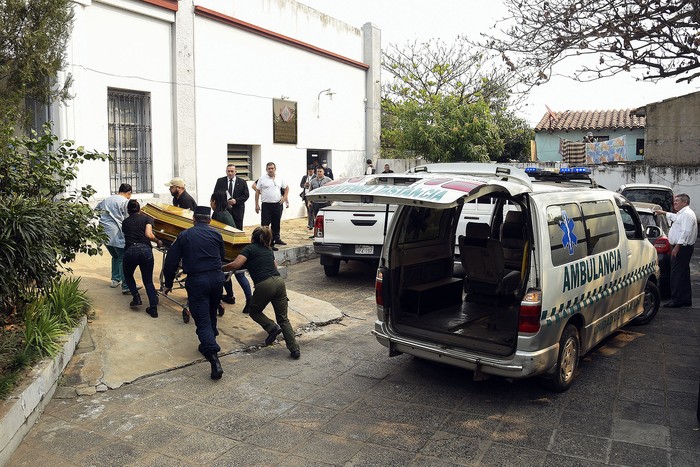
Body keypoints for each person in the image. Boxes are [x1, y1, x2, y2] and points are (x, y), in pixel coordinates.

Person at [163, 206, 225, 380]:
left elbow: (171, 262)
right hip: (217, 279)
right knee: (211, 313)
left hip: (198, 281)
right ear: (210, 220)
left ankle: (214, 358)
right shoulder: (217, 235)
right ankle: (209, 341)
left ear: (193, 220)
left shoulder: (184, 235)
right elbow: (221, 256)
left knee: (203, 321)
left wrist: (168, 284)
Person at [223, 226, 300, 359]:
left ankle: (272, 328)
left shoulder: (249, 248)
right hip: (279, 282)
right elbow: (275, 266)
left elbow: (236, 265)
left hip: (264, 284)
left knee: (254, 311)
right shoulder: (268, 249)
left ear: (253, 237)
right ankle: (294, 349)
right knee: (283, 318)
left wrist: (221, 267)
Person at [210, 191, 253, 309]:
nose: (210, 203)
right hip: (236, 247)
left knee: (225, 273)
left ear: (214, 202)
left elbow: (216, 234)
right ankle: (246, 299)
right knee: (239, 275)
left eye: (211, 201)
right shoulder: (227, 212)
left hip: (227, 249)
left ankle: (231, 296)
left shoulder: (217, 215)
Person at [655, 194, 697, 308]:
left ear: (685, 202)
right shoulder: (682, 214)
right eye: (675, 201)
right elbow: (675, 218)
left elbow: (686, 232)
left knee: (677, 274)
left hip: (682, 248)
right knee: (683, 274)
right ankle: (685, 299)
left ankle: (677, 299)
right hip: (682, 247)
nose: (675, 203)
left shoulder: (687, 215)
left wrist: (677, 247)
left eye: (677, 201)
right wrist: (663, 213)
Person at [121, 199, 163, 318]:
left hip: (130, 251)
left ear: (128, 211)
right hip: (145, 250)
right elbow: (149, 235)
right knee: (148, 280)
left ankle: (136, 297)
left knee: (128, 275)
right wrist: (158, 241)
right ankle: (153, 309)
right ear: (139, 209)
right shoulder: (146, 219)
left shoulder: (125, 222)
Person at [96, 183, 132, 294]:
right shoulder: (125, 202)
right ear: (128, 193)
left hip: (104, 233)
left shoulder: (106, 199)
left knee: (115, 256)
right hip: (117, 233)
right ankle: (126, 285)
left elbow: (96, 210)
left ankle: (115, 280)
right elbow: (128, 218)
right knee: (122, 257)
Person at [252, 162, 289, 250]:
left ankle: (274, 242)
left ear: (275, 169)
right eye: (269, 168)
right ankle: (265, 243)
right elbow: (257, 191)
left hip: (277, 204)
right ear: (266, 169)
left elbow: (287, 188)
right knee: (265, 225)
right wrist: (256, 204)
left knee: (276, 224)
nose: (270, 170)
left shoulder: (280, 178)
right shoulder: (262, 179)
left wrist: (284, 198)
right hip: (266, 205)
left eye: (272, 168)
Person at [213, 164, 249, 230]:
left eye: (232, 171)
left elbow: (246, 195)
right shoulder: (220, 181)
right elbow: (216, 194)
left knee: (238, 228)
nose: (230, 173)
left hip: (237, 210)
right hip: (224, 210)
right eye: (228, 171)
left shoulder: (242, 182)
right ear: (226, 171)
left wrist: (236, 201)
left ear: (235, 172)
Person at [307, 166, 332, 238]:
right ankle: (316, 233)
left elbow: (332, 190)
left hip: (325, 202)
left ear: (323, 172)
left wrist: (331, 201)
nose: (319, 173)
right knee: (316, 219)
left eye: (320, 171)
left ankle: (327, 233)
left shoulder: (328, 180)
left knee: (326, 219)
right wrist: (309, 201)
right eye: (318, 171)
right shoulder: (313, 181)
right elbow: (310, 192)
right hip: (316, 203)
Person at [300, 165, 315, 230]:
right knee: (309, 210)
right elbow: (301, 185)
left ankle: (310, 224)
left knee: (311, 210)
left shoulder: (315, 177)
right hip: (306, 195)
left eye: (311, 171)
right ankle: (311, 223)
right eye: (309, 171)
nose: (310, 172)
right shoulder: (305, 177)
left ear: (313, 171)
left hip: (312, 195)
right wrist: (304, 185)